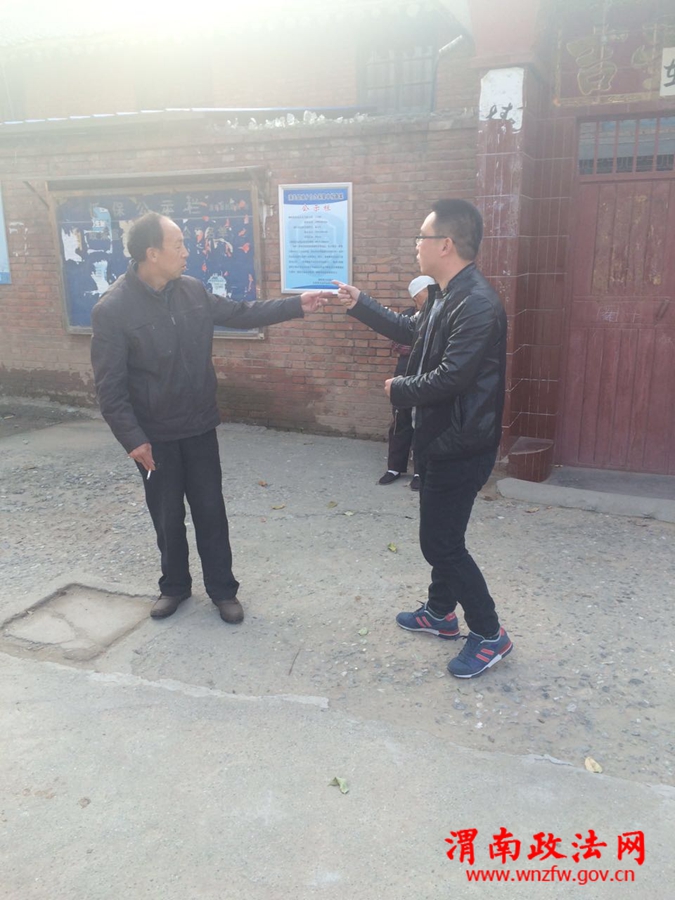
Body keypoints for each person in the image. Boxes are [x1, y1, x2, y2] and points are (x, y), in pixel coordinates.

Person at [91, 212, 327, 623]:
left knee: (210, 512)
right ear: (152, 253)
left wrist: (296, 305)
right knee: (167, 517)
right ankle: (174, 587)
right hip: (155, 436)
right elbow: (110, 387)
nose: (187, 252)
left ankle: (223, 590)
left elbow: (241, 312)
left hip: (199, 425)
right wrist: (133, 439)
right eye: (178, 245)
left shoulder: (193, 291)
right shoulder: (113, 309)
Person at [334, 199, 512, 679]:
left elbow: (453, 376)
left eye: (421, 237)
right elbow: (412, 329)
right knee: (444, 535)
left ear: (445, 244)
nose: (416, 245)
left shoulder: (477, 303)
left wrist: (400, 388)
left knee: (441, 544)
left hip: (461, 443)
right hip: (438, 438)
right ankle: (439, 613)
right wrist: (360, 303)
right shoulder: (443, 295)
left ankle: (489, 634)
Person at [378, 275, 435, 490]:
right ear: (415, 297)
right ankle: (395, 467)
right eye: (426, 292)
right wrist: (420, 347)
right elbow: (398, 344)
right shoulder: (407, 317)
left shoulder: (439, 315)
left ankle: (420, 471)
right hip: (405, 373)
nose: (430, 296)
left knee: (423, 422)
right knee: (400, 420)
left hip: (427, 376)